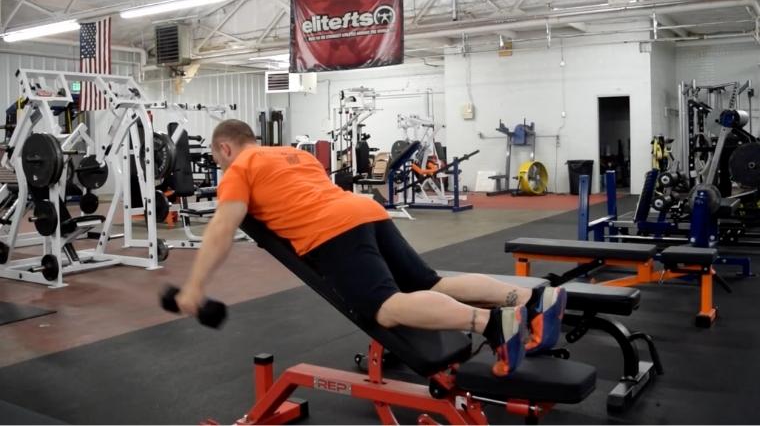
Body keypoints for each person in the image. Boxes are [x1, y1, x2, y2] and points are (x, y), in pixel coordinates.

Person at [176, 119, 566, 376]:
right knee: (431, 285)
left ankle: (493, 323)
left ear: (225, 148)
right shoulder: (295, 154)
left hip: (332, 232)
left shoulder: (240, 168)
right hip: (368, 212)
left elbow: (222, 227)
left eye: (216, 157)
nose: (219, 164)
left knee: (388, 309)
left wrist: (194, 288)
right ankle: (533, 300)